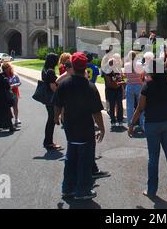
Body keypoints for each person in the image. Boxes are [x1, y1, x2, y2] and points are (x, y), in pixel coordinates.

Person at [129, 59, 167, 198]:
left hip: (152, 124)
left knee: (153, 158)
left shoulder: (147, 87)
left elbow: (140, 108)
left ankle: (151, 190)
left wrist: (132, 124)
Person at [53, 52, 105, 200]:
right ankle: (83, 190)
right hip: (85, 128)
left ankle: (67, 188)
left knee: (71, 156)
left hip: (69, 126)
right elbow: (96, 112)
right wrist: (101, 128)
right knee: (85, 159)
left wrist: (56, 117)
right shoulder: (90, 87)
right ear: (85, 67)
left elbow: (57, 104)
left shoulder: (64, 85)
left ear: (73, 67)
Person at [42, 53, 62, 150]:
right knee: (51, 120)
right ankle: (49, 142)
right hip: (51, 99)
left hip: (47, 99)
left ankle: (48, 142)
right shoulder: (50, 71)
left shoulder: (44, 69)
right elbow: (53, 87)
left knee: (50, 120)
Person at [124, 51, 145, 130]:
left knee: (129, 106)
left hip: (129, 86)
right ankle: (142, 124)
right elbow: (142, 75)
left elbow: (125, 75)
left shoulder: (126, 65)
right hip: (138, 86)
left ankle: (130, 124)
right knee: (141, 106)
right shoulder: (139, 65)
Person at [104, 58, 125, 129]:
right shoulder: (107, 72)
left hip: (118, 90)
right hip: (110, 91)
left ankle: (120, 121)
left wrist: (120, 84)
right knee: (112, 106)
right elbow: (109, 83)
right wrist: (118, 83)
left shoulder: (118, 71)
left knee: (119, 105)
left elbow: (122, 80)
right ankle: (113, 121)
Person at [2, 62, 22, 127]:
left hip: (14, 92)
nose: (7, 70)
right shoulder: (2, 76)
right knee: (7, 107)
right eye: (5, 68)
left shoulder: (14, 75)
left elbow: (19, 83)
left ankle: (16, 119)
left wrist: (14, 85)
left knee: (15, 106)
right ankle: (8, 120)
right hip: (6, 94)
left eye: (8, 68)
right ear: (3, 69)